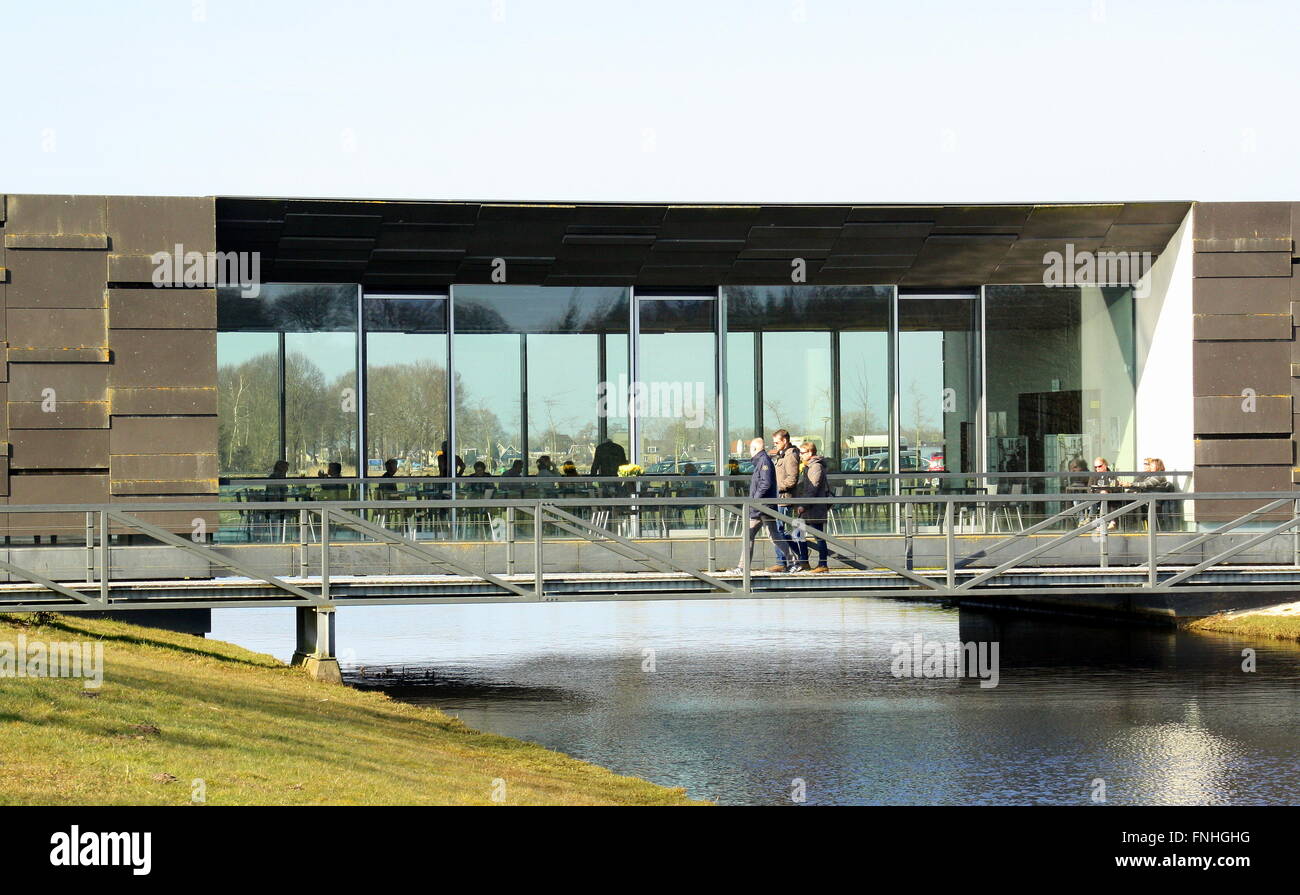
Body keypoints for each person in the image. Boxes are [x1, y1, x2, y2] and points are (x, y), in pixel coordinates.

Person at [728, 436, 800, 574]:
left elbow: (765, 483)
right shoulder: (762, 461)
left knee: (750, 535)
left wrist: (754, 500)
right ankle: (794, 561)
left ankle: (742, 568)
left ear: (754, 449)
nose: (749, 452)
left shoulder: (763, 461)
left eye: (750, 449)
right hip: (763, 506)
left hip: (761, 507)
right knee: (773, 536)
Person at [794, 441, 832, 572]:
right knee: (798, 533)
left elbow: (812, 488)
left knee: (819, 536)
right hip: (807, 507)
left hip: (814, 508)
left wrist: (803, 505)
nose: (800, 455)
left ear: (810, 452)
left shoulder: (816, 467)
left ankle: (823, 564)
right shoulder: (807, 466)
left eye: (803, 453)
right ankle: (804, 561)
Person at [771, 429, 802, 551]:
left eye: (777, 442)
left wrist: (777, 487)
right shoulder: (783, 454)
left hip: (784, 499)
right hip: (779, 498)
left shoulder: (790, 455)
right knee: (779, 530)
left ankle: (796, 554)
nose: (775, 445)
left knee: (780, 530)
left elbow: (792, 479)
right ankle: (790, 558)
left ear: (784, 440)